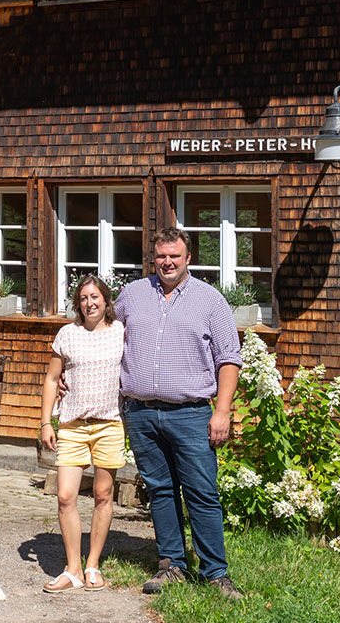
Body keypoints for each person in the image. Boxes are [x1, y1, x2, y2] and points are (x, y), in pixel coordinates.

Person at [115, 226, 244, 599]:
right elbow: (103, 337)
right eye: (161, 256)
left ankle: (216, 573)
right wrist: (67, 373)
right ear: (152, 258)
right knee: (160, 491)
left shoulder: (210, 301)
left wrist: (222, 412)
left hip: (191, 414)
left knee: (202, 493)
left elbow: (229, 360)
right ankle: (172, 564)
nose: (167, 262)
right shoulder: (132, 296)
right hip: (140, 413)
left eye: (175, 256)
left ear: (189, 259)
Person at [37, 273, 125, 593]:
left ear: (106, 300)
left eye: (95, 297)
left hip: (110, 424)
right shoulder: (67, 334)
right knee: (65, 497)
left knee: (103, 495)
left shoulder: (121, 333)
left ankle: (93, 566)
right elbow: (51, 379)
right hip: (72, 425)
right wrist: (47, 421)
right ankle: (72, 567)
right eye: (84, 298)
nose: (90, 303)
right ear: (79, 303)